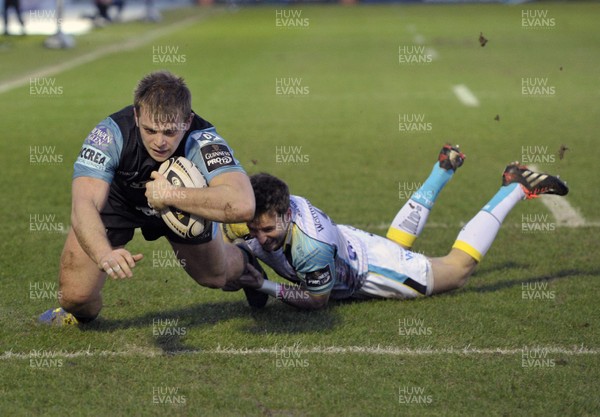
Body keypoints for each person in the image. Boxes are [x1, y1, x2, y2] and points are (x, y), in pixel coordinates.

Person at [39, 71, 257, 325]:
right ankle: (83, 316)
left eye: (170, 131)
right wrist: (103, 255)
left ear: (187, 121)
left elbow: (243, 204)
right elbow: (83, 205)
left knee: (214, 277)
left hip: (180, 202)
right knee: (75, 298)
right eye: (150, 130)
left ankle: (245, 258)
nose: (160, 142)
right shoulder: (110, 135)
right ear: (136, 115)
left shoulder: (203, 139)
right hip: (120, 202)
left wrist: (170, 195)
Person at [231, 144, 568, 310]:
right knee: (395, 249)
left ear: (286, 214)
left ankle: (514, 187)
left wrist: (264, 286)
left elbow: (317, 301)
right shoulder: (258, 211)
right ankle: (442, 170)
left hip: (369, 271)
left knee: (457, 270)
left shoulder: (310, 248)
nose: (259, 238)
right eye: (253, 229)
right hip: (354, 241)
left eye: (267, 231)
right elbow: (237, 239)